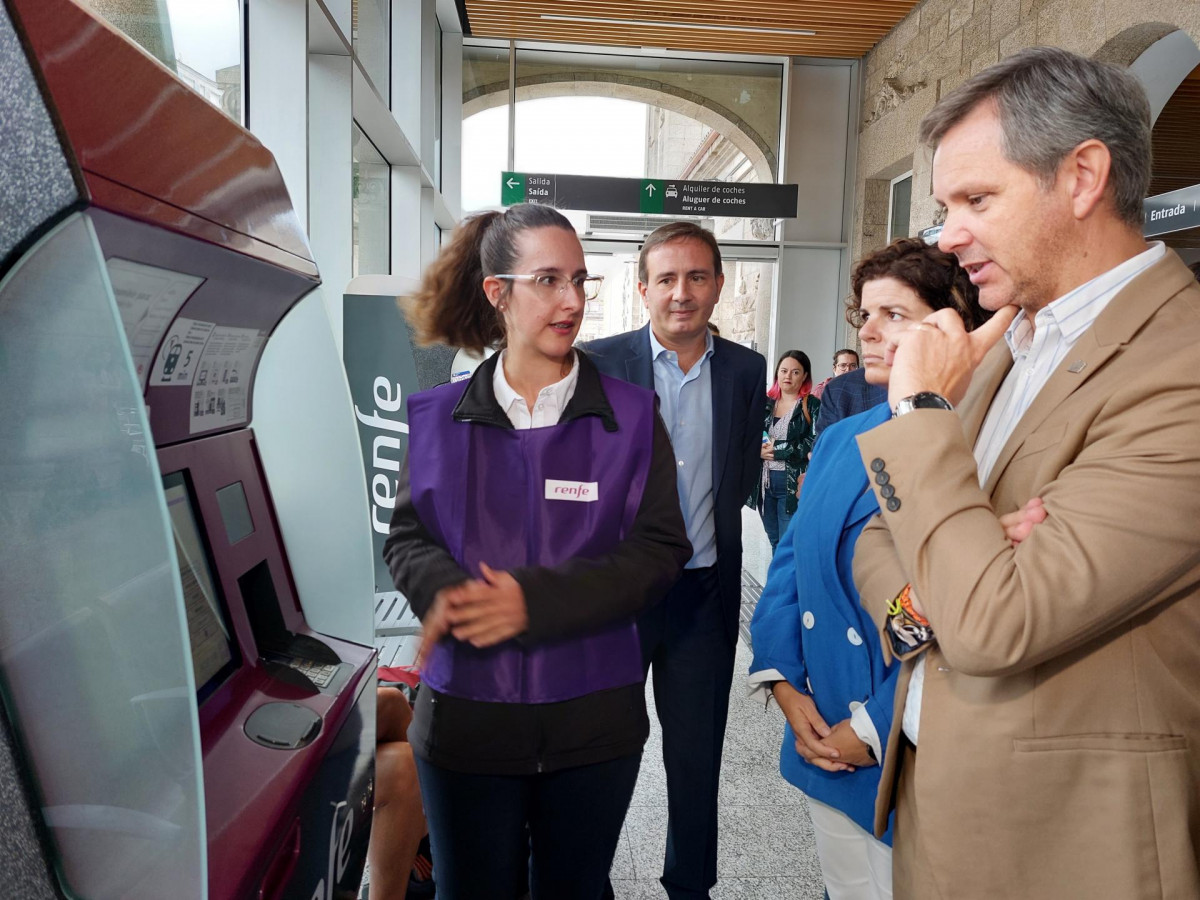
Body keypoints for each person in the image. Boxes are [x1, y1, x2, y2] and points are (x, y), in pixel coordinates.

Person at [852, 48, 1200, 898]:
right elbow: (875, 534)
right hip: (936, 813)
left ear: (1082, 177)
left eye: (977, 199)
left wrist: (921, 418)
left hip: (1069, 848)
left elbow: (996, 622)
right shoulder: (1009, 342)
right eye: (944, 206)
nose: (946, 234)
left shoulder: (1181, 364)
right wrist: (925, 602)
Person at [383, 203, 692, 900]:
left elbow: (660, 548)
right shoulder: (436, 418)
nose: (573, 300)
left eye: (580, 280)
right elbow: (407, 537)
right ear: (499, 293)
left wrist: (531, 601)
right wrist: (448, 595)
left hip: (593, 725)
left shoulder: (633, 416)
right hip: (467, 721)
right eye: (548, 280)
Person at [748, 238, 986, 900]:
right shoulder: (840, 437)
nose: (869, 331)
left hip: (908, 748)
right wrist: (784, 686)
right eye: (865, 314)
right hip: (821, 733)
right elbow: (790, 566)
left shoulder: (976, 443)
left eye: (894, 315)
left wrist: (876, 726)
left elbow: (954, 607)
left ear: (950, 327)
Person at [585, 222, 767, 900]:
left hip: (703, 599)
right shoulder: (599, 366)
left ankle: (690, 885)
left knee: (695, 759)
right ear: (643, 289)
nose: (681, 293)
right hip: (619, 598)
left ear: (719, 285)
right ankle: (585, 879)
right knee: (602, 752)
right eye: (666, 278)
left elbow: (739, 476)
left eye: (696, 277)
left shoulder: (748, 372)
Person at [748, 350, 819, 553]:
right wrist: (757, 450)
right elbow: (749, 431)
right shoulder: (766, 404)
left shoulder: (811, 405)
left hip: (790, 483)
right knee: (775, 541)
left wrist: (778, 450)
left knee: (789, 544)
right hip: (764, 483)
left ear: (805, 376)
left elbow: (813, 441)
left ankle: (787, 584)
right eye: (784, 371)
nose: (788, 376)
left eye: (795, 372)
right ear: (777, 373)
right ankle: (777, 584)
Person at [812, 357, 886, 439]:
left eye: (853, 365)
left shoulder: (872, 386)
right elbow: (824, 438)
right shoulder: (832, 390)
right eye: (843, 365)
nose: (848, 369)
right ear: (834, 368)